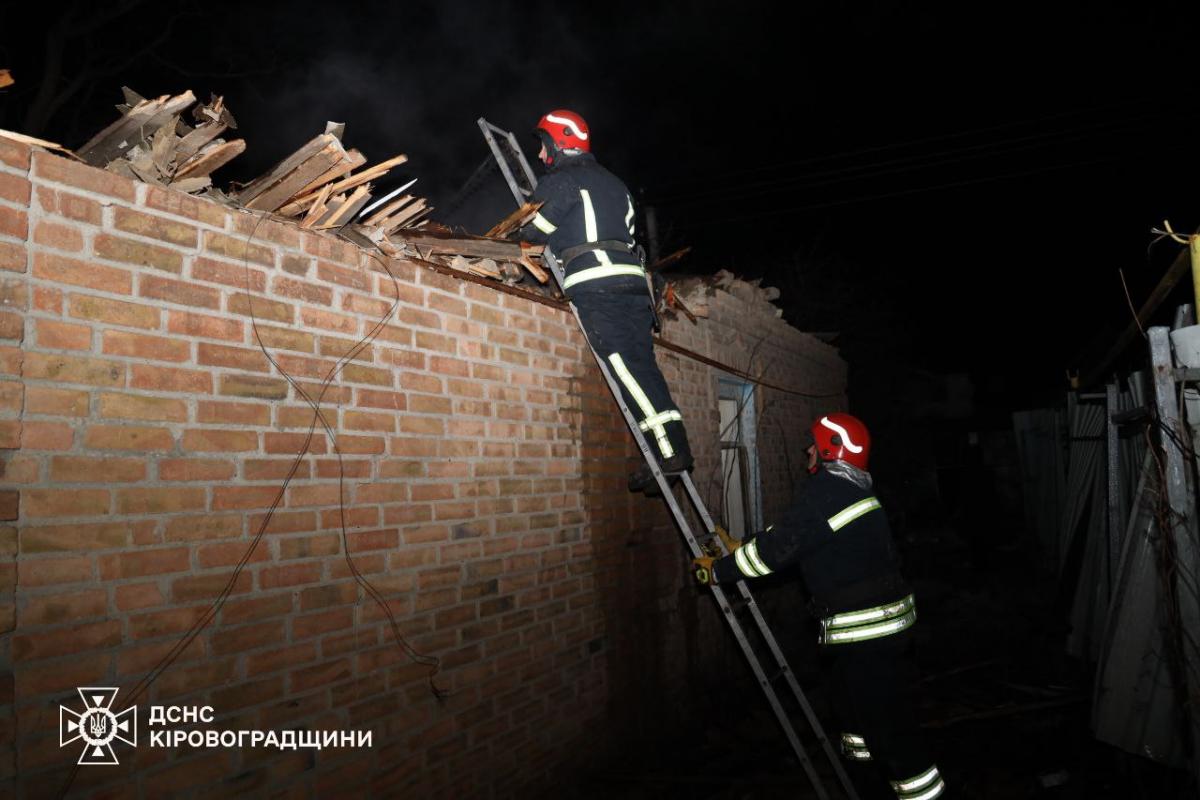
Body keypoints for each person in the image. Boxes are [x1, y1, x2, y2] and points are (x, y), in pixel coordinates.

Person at [693, 413, 945, 800]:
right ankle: (868, 788)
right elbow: (794, 534)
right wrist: (741, 544)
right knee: (852, 716)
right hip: (873, 633)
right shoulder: (847, 490)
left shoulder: (829, 490)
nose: (808, 450)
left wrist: (718, 571)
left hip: (868, 638)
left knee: (890, 733)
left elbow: (779, 551)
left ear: (832, 449)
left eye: (814, 443)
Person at [518, 109, 692, 492]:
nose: (540, 156)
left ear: (559, 143)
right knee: (642, 368)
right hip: (631, 288)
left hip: (597, 286)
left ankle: (670, 452)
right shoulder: (617, 185)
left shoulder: (560, 181)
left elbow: (531, 234)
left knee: (625, 369)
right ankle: (668, 446)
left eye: (544, 146)